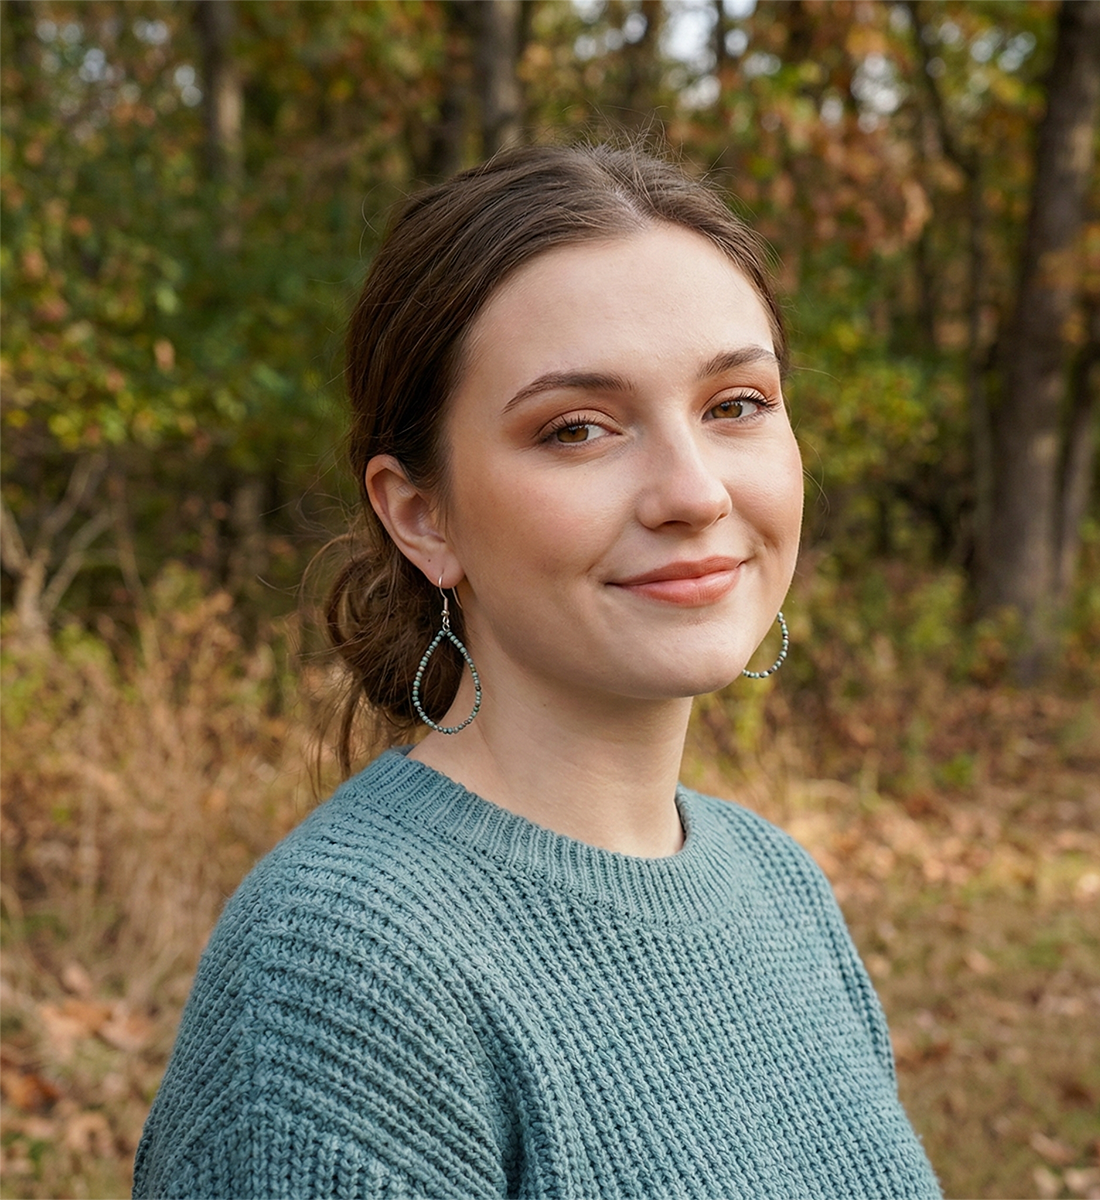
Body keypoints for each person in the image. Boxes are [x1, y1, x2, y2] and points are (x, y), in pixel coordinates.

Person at [133, 143, 942, 1199]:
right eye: (577, 429)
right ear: (422, 515)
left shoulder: (776, 885)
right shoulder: (347, 975)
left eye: (735, 404)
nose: (692, 492)